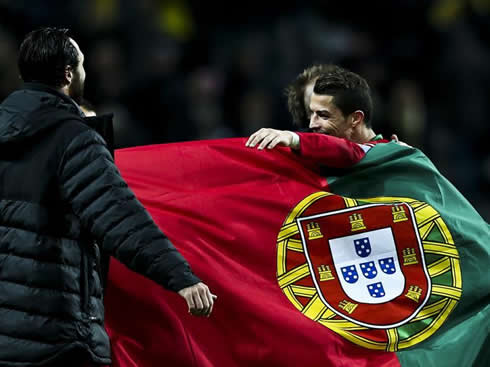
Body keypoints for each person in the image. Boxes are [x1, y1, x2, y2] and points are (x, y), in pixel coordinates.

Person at [0, 27, 215, 367]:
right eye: (82, 64)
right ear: (69, 74)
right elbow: (119, 216)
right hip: (56, 339)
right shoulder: (72, 137)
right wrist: (180, 277)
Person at [246, 64, 389, 167]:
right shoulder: (305, 166)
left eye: (323, 113)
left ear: (355, 118)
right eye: (311, 112)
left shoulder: (397, 155)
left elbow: (353, 152)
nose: (313, 124)